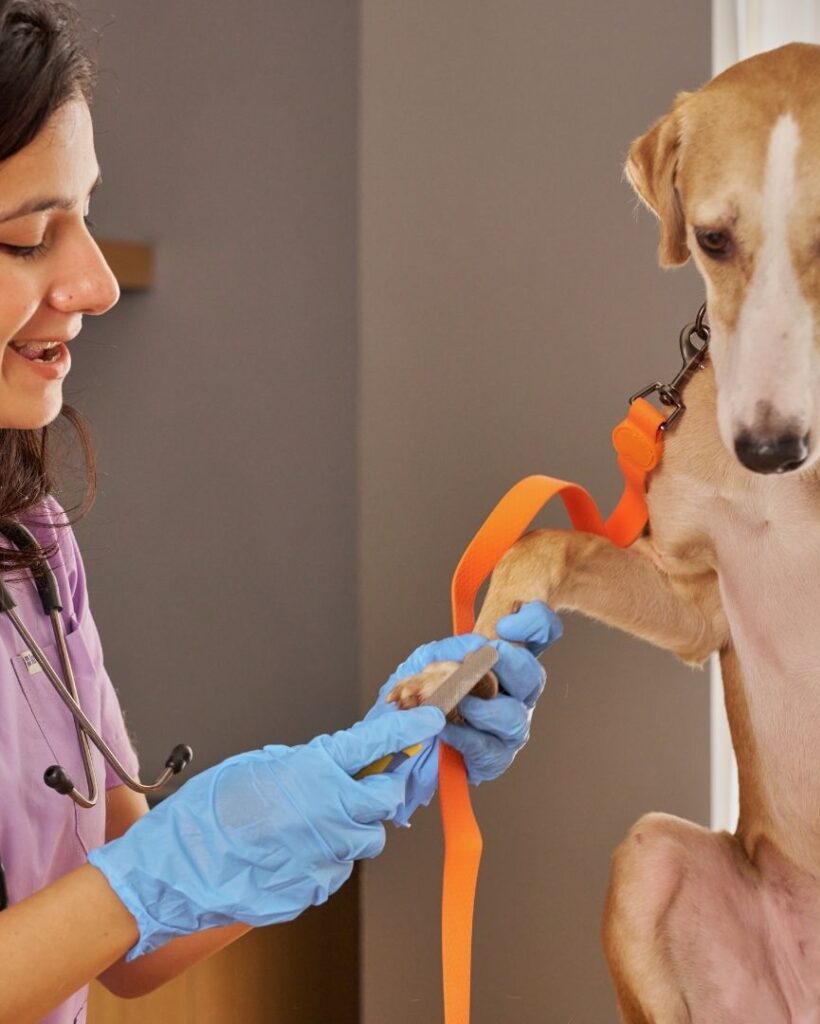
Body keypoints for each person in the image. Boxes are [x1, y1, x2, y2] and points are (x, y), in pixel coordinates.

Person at [0, 3, 563, 1022]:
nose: (92, 282)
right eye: (31, 236)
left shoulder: (30, 540)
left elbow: (121, 939)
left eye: (85, 215)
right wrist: (152, 875)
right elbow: (127, 892)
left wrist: (340, 779)